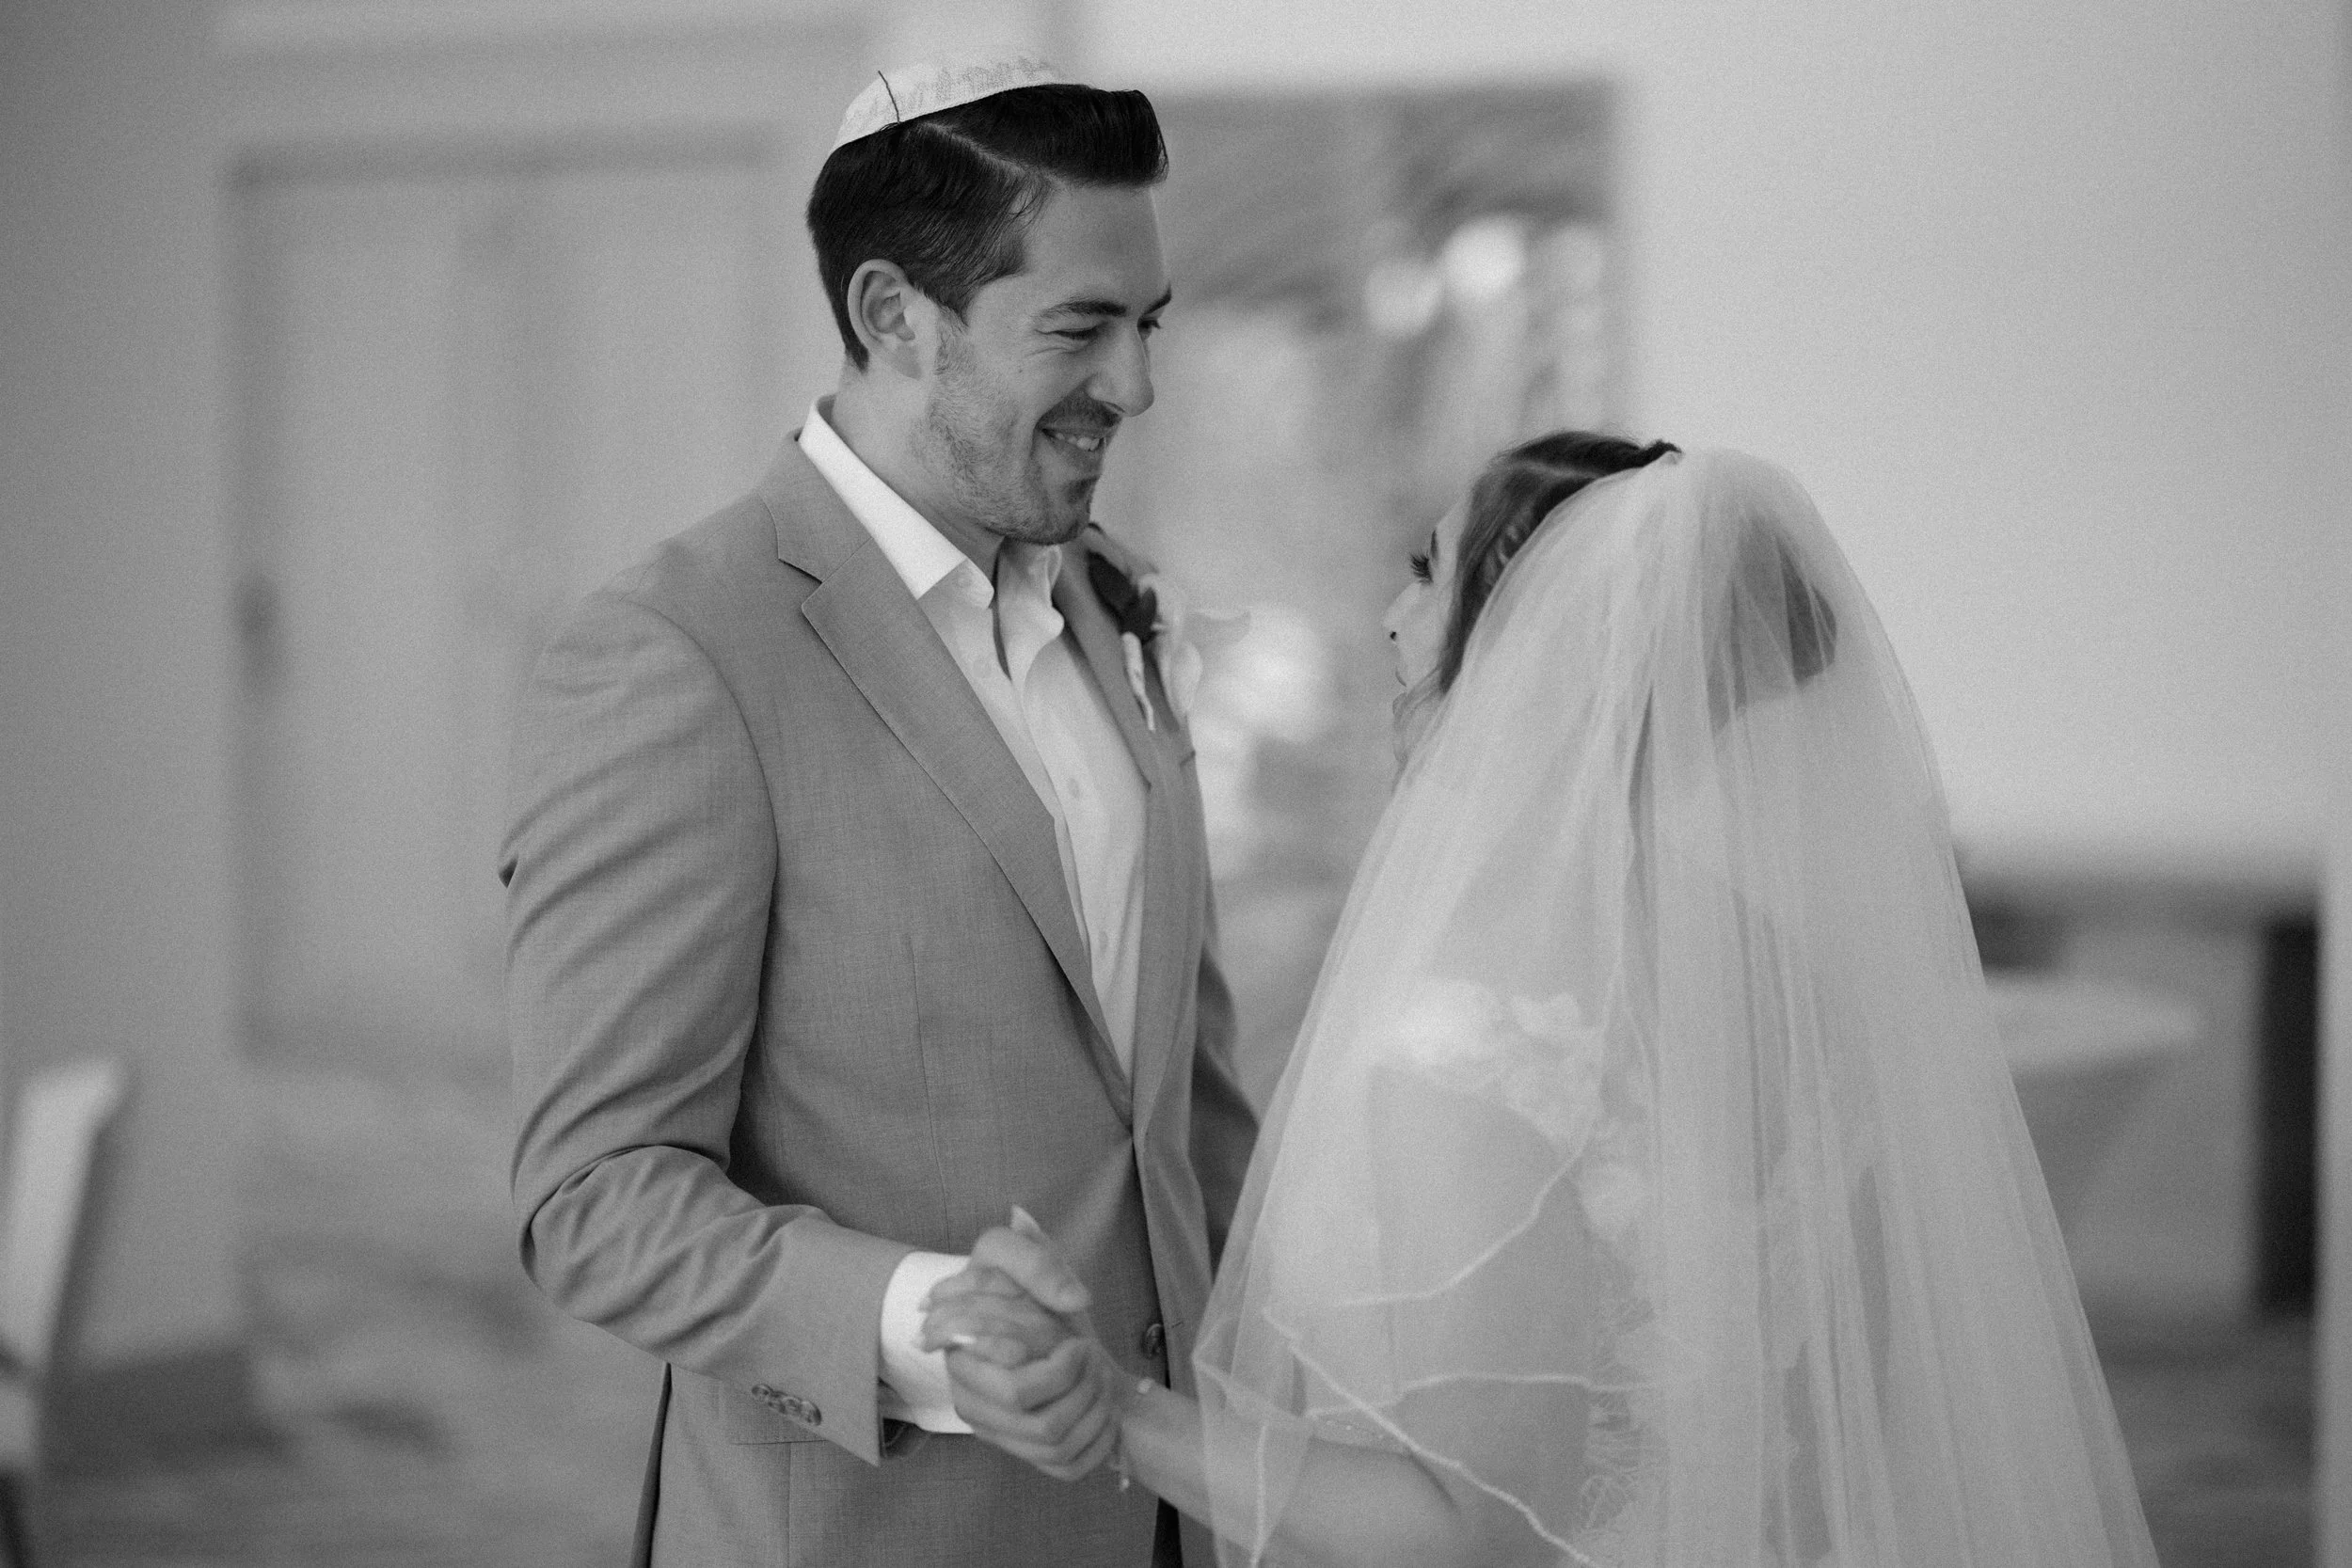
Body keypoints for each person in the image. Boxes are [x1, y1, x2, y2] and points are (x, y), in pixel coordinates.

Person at [924, 435, 2162, 1567]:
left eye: (1430, 568)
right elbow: (1848, 1409)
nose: (1396, 617)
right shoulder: (1789, 988)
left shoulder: (1475, 1046)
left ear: (1530, 637)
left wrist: (1114, 1408)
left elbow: (1456, 1524)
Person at [501, 54, 1257, 1568]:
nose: (1138, 384)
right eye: (1080, 328)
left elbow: (1184, 1099)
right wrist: (932, 1320)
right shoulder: (682, 649)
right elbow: (593, 1195)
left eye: (1148, 323)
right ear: (891, 316)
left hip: (1179, 1515)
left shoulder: (1117, 606)